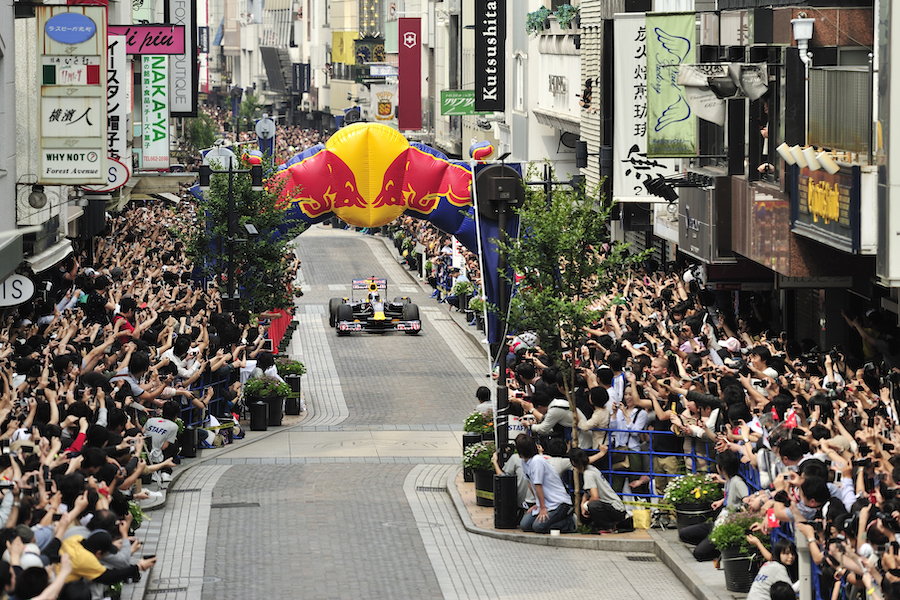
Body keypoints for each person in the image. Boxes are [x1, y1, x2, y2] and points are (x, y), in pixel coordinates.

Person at [679, 451, 749, 561]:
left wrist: (739, 511)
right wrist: (722, 500)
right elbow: (731, 493)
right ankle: (709, 543)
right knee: (684, 534)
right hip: (718, 522)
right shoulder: (729, 481)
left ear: (722, 467)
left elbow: (746, 499)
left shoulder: (737, 482)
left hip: (726, 525)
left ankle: (717, 548)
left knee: (699, 554)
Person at [516, 434, 575, 534]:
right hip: (545, 502)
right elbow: (530, 484)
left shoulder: (537, 461)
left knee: (539, 526)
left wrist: (542, 508)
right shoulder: (524, 462)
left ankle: (570, 522)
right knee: (525, 525)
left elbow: (538, 485)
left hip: (558, 503)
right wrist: (538, 504)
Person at [569, 448, 628, 533]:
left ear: (573, 463)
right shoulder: (590, 467)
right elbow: (588, 490)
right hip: (616, 508)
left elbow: (595, 497)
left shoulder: (588, 474)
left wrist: (585, 506)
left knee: (592, 505)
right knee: (589, 505)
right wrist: (583, 502)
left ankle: (608, 527)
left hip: (615, 509)